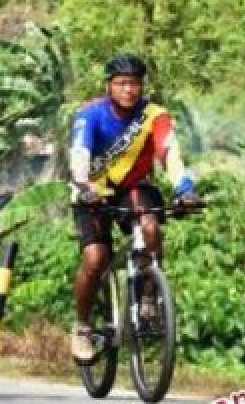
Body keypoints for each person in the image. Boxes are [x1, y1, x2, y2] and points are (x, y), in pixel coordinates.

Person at [68, 52, 199, 363]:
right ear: (109, 86)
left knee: (151, 228)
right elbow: (80, 154)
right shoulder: (90, 115)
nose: (129, 90)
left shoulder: (154, 115)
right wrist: (83, 187)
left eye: (135, 84)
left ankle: (149, 298)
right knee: (95, 257)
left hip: (134, 188)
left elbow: (169, 153)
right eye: (122, 83)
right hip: (91, 191)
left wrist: (185, 189)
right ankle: (82, 327)